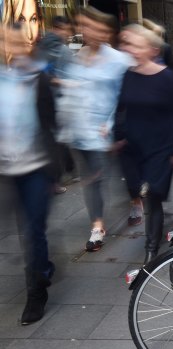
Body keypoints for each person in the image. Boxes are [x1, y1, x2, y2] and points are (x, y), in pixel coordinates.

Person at [54, 7, 133, 251]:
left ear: (105, 30)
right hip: (79, 129)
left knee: (115, 175)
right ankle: (97, 225)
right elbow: (74, 88)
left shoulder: (119, 59)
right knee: (91, 181)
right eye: (83, 26)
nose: (86, 31)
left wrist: (112, 124)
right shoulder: (77, 56)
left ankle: (135, 199)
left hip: (104, 130)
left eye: (91, 26)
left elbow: (126, 95)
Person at [0, 24, 57, 325]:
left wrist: (56, 169)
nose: (11, 46)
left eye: (15, 41)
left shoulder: (41, 79)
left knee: (33, 231)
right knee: (19, 233)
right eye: (5, 41)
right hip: (6, 170)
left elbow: (51, 124)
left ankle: (36, 293)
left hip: (36, 168)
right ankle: (43, 267)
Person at [116, 24, 173, 264]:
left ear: (152, 50)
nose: (131, 50)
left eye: (136, 45)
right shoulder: (128, 75)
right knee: (139, 192)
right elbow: (121, 108)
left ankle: (151, 250)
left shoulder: (168, 78)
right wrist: (117, 135)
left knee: (152, 196)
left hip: (160, 146)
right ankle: (157, 230)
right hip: (133, 146)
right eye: (129, 45)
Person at [36, 15, 77, 195]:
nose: (69, 34)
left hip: (42, 100)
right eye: (67, 30)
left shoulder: (40, 45)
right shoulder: (60, 49)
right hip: (56, 100)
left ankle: (64, 172)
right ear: (59, 28)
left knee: (54, 139)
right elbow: (56, 77)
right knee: (56, 141)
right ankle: (55, 179)